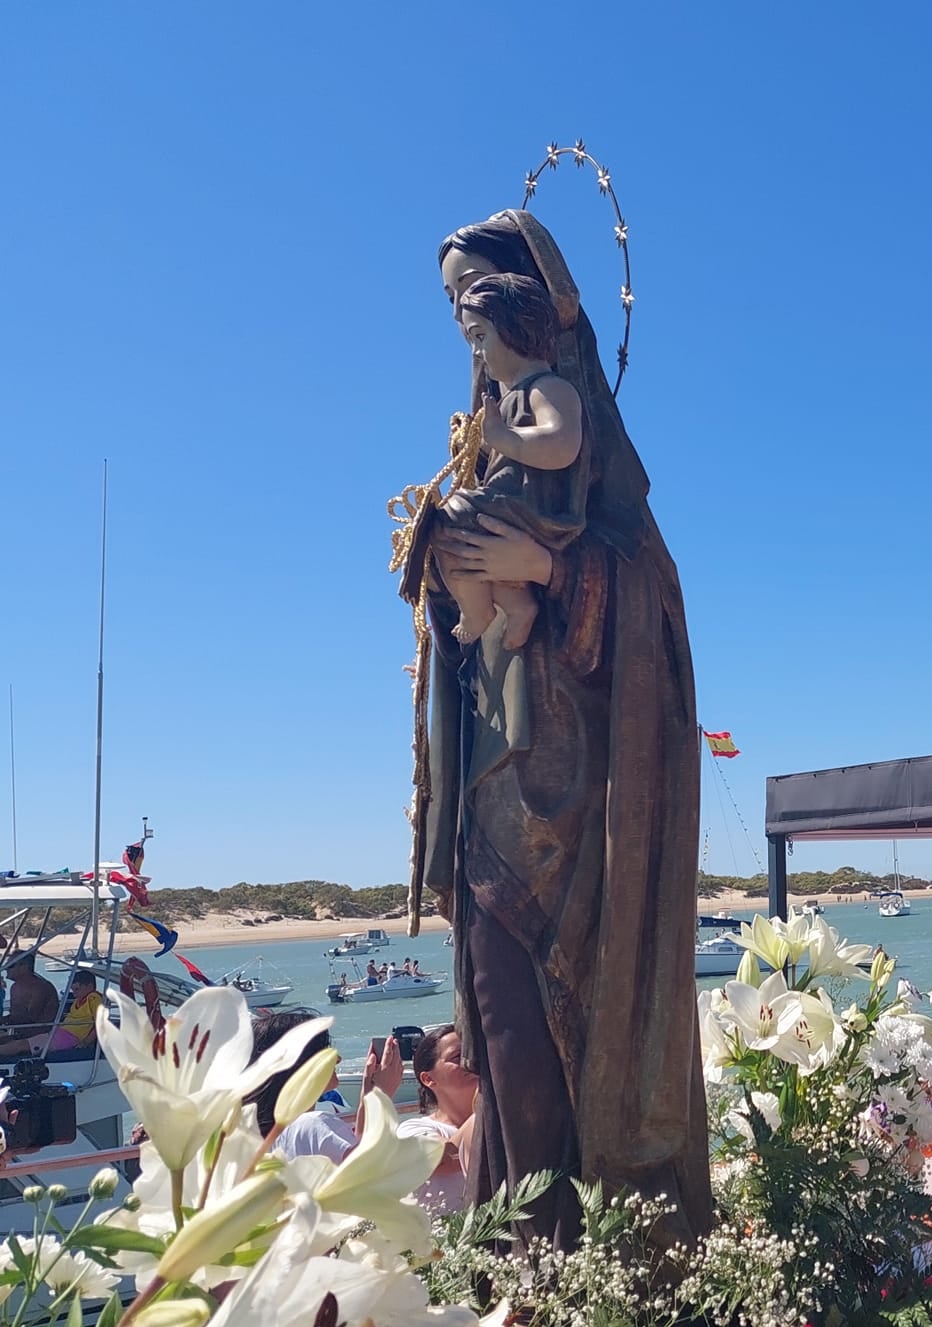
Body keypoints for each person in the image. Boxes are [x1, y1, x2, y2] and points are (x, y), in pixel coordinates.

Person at [415, 212, 707, 1251]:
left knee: (553, 1033)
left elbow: (651, 617)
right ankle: (521, 1259)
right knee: (501, 1030)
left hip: (583, 811)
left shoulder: (593, 475)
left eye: (481, 311)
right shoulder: (489, 458)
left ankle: (579, 1266)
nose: (471, 344)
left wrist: (547, 572)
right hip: (496, 789)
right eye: (456, 319)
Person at [433, 272, 586, 649]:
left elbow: (563, 443)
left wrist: (504, 438)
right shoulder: (506, 401)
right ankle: (511, 605)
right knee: (444, 530)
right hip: (508, 509)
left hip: (535, 509)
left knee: (452, 517)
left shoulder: (549, 389)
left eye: (480, 338)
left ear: (516, 327)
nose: (476, 353)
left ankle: (478, 611)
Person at [250, 1013, 406, 1163]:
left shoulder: (264, 1140)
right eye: (326, 1051)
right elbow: (371, 1171)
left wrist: (369, 1099)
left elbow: (358, 1149)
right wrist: (381, 1096)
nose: (338, 1059)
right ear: (301, 1064)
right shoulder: (311, 1125)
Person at [399, 1024, 480, 1215]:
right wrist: (486, 1104)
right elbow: (442, 1160)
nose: (471, 1061)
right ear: (428, 1079)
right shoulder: (413, 1129)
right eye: (457, 1056)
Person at [2, 954, 58, 1027]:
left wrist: (5, 1020)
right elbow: (15, 1017)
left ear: (24, 967)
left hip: (40, 1033)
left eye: (10, 965)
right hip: (17, 1029)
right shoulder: (14, 987)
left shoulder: (40, 987)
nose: (6, 968)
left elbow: (32, 1018)